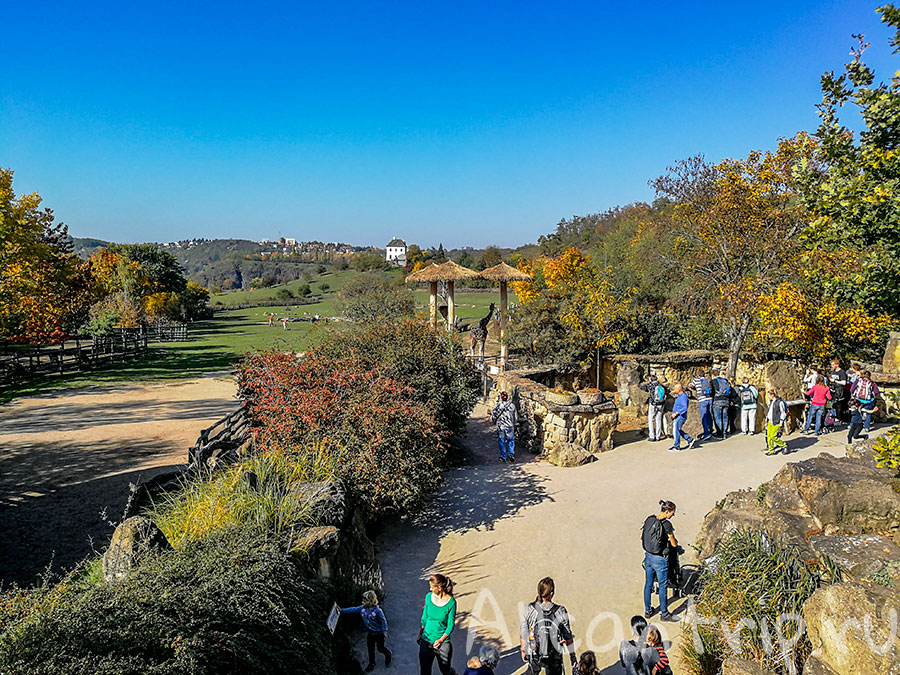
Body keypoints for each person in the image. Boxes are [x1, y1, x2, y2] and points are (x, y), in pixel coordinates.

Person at [519, 577, 577, 675]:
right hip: (554, 655)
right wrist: (572, 656)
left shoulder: (528, 609)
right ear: (551, 593)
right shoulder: (560, 611)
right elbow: (568, 636)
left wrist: (523, 650)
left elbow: (523, 632)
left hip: (535, 653)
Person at [642, 500, 678, 621]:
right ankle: (664, 613)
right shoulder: (667, 524)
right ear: (667, 511)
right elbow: (673, 543)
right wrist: (674, 543)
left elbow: (641, 535)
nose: (673, 515)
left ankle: (648, 611)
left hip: (648, 556)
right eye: (672, 513)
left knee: (648, 584)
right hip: (660, 559)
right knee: (663, 585)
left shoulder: (649, 519)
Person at [341, 590, 392, 672]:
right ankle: (372, 663)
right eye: (363, 600)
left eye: (365, 601)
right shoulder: (362, 608)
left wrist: (384, 631)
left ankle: (388, 654)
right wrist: (342, 610)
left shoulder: (378, 611)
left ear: (371, 601)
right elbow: (353, 609)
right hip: (371, 634)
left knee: (380, 648)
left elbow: (383, 621)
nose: (362, 602)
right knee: (370, 649)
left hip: (379, 633)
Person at [418, 574, 457, 675]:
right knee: (425, 671)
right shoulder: (428, 597)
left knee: (445, 671)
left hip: (443, 644)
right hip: (426, 641)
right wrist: (420, 634)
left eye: (432, 587)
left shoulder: (451, 602)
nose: (430, 589)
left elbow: (450, 625)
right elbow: (424, 617)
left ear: (439, 588)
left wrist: (441, 640)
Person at [669, 383, 697, 452]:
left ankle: (677, 446)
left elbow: (684, 407)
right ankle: (690, 439)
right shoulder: (680, 396)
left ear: (678, 389)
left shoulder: (683, 397)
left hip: (680, 417)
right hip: (678, 416)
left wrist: (676, 413)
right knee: (678, 430)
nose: (674, 390)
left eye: (675, 388)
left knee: (676, 430)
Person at [491, 391, 517, 462]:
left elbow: (494, 416)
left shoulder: (498, 406)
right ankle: (511, 453)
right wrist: (514, 423)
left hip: (501, 426)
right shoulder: (512, 406)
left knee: (501, 441)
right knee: (511, 440)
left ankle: (503, 456)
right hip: (510, 426)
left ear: (501, 397)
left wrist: (494, 422)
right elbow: (515, 417)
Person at [640, 375, 668, 442]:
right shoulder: (661, 385)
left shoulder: (650, 385)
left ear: (651, 379)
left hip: (653, 404)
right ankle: (658, 436)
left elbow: (641, 387)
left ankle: (652, 436)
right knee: (658, 420)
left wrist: (646, 383)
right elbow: (666, 391)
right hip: (661, 405)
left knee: (651, 420)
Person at [690, 371, 714, 440]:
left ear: (698, 375)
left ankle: (706, 433)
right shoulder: (707, 380)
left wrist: (695, 388)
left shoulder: (696, 380)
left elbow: (691, 385)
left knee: (704, 416)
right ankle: (711, 430)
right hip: (709, 399)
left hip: (702, 400)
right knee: (710, 416)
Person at [765, 389, 788, 456]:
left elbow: (783, 413)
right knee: (769, 436)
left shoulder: (780, 402)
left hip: (776, 421)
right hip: (770, 421)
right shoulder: (771, 401)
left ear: (773, 395)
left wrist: (781, 422)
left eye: (769, 395)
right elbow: (769, 411)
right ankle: (771, 450)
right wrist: (767, 420)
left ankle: (783, 445)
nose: (768, 397)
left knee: (773, 436)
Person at [711, 370, 733, 439]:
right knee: (725, 417)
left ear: (713, 375)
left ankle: (719, 434)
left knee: (718, 418)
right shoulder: (725, 381)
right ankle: (725, 433)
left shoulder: (713, 381)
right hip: (726, 401)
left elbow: (711, 392)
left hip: (717, 400)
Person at [828, 359, 850, 424]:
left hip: (840, 390)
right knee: (833, 404)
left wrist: (834, 381)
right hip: (833, 390)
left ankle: (839, 418)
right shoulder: (833, 372)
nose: (832, 366)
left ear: (837, 365)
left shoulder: (842, 372)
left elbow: (844, 382)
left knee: (839, 405)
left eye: (833, 364)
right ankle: (833, 417)